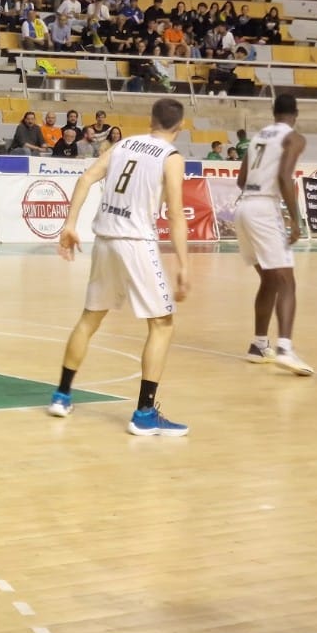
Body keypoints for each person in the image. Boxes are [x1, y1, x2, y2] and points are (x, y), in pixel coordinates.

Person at [49, 98, 191, 435]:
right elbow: (174, 213)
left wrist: (70, 224)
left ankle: (61, 395)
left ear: (150, 120)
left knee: (89, 318)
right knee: (162, 324)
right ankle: (144, 414)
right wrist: (184, 264)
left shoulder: (124, 143)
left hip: (104, 239)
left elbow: (85, 179)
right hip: (136, 243)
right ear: (180, 127)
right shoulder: (171, 158)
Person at [234, 94, 310, 375]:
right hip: (265, 209)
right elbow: (283, 176)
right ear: (295, 113)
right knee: (287, 281)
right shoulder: (294, 138)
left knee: (269, 279)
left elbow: (241, 180)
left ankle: (258, 344)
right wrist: (295, 219)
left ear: (274, 111)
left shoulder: (256, 137)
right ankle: (285, 350)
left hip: (243, 208)